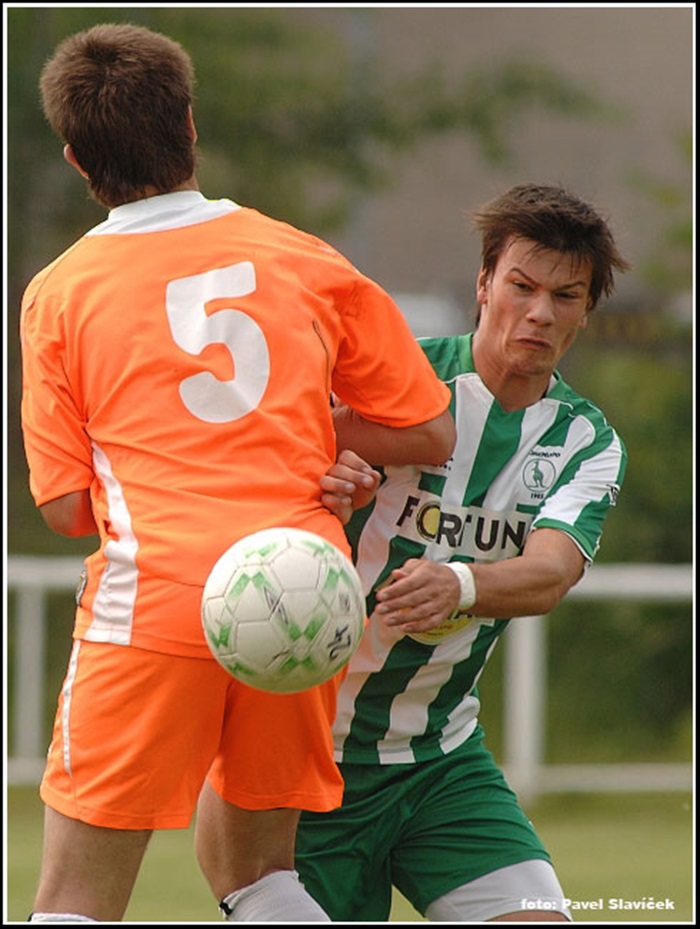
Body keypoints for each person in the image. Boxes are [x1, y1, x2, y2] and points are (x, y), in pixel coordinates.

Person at [18, 23, 456, 924]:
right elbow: (430, 428)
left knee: (76, 901)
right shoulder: (301, 255)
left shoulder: (60, 292)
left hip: (155, 602)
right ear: (188, 124)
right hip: (299, 595)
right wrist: (322, 441)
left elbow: (65, 507)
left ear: (72, 157)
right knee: (264, 878)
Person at [296, 183, 630, 922]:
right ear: (484, 284)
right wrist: (329, 485)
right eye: (522, 285)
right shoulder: (393, 385)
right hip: (311, 759)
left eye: (566, 296)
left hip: (438, 760)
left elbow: (549, 571)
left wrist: (459, 582)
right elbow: (280, 478)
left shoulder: (587, 442)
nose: (540, 312)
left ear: (585, 312)